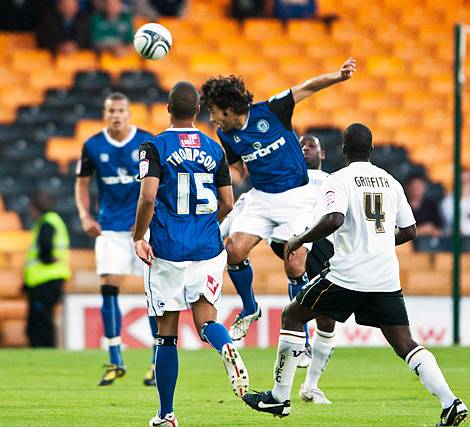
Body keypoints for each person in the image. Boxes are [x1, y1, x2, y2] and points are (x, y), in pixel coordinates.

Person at [242, 124, 469, 426]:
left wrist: (301, 239)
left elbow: (334, 218)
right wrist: (381, 242)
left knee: (292, 316)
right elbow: (411, 230)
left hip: (347, 275)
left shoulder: (339, 180)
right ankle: (450, 401)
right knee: (405, 343)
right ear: (372, 150)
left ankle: (279, 398)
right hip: (385, 276)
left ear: (344, 151)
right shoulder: (391, 182)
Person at [200, 58, 356, 342]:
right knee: (234, 251)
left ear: (230, 108)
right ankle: (250, 308)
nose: (213, 119)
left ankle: (302, 336)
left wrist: (339, 76)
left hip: (298, 197)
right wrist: (229, 173)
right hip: (262, 197)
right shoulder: (225, 133)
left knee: (295, 263)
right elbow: (238, 168)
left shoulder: (272, 110)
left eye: (214, 112)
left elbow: (307, 87)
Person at [132, 81, 249, 426]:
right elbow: (228, 202)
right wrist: (204, 226)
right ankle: (224, 345)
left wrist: (139, 235)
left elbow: (148, 197)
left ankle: (167, 415)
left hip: (168, 249)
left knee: (166, 333)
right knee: (206, 320)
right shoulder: (215, 150)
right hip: (208, 247)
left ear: (168, 109)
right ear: (197, 111)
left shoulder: (153, 147)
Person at [218, 135, 336, 376]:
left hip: (324, 246)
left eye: (311, 145)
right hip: (293, 238)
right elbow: (242, 206)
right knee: (242, 251)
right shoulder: (282, 183)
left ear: (323, 154)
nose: (305, 149)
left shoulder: (331, 181)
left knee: (326, 321)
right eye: (301, 145)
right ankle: (299, 342)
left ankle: (311, 386)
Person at [75, 92, 157, 386]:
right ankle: (114, 359)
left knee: (154, 292)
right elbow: (81, 183)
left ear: (129, 113)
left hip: (143, 227)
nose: (116, 115)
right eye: (111, 110)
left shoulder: (147, 142)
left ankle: (156, 362)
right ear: (105, 112)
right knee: (108, 287)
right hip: (110, 227)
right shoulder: (93, 145)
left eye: (121, 110)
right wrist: (85, 215)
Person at [23, 192, 71, 347]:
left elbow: (45, 246)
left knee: (40, 321)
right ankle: (46, 347)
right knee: (45, 318)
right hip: (51, 278)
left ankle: (44, 347)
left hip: (43, 279)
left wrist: (47, 258)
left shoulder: (46, 222)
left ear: (34, 207)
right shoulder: (54, 221)